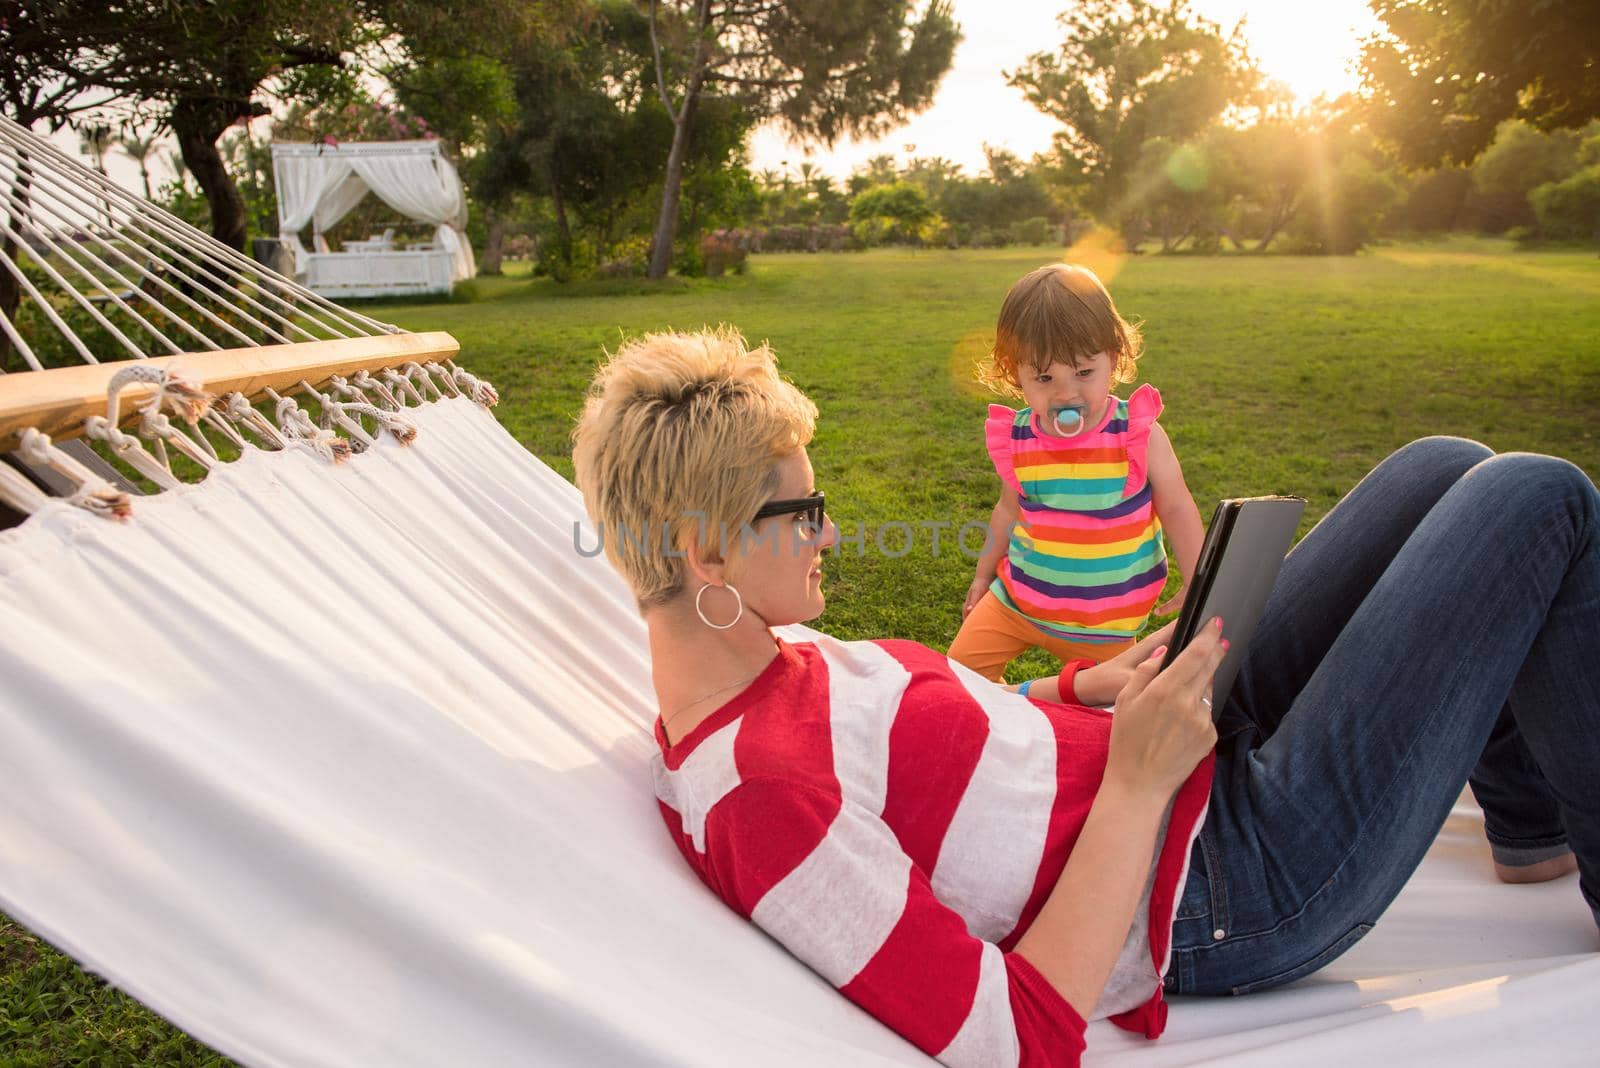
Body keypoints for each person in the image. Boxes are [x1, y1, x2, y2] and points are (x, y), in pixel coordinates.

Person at [570, 326, 1599, 1067]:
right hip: (1226, 882)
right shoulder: (761, 795)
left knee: (1443, 466)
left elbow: (929, 739)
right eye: (805, 511)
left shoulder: (762, 656)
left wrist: (1078, 685)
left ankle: (1524, 826)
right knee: (1537, 499)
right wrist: (1137, 786)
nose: (830, 535)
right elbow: (1012, 1035)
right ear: (706, 551)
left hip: (1161, 761)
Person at [949, 262, 1204, 681]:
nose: (1067, 393)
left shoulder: (1137, 435)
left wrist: (1196, 577)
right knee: (961, 679)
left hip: (1105, 627)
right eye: (1045, 377)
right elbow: (1008, 511)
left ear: (1114, 358)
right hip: (1018, 603)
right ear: (1015, 372)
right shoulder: (1017, 439)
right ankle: (1017, 719)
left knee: (1108, 717)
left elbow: (1176, 507)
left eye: (1084, 372)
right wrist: (981, 576)